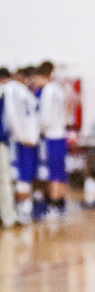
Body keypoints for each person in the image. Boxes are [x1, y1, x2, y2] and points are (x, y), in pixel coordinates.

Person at [3, 67, 40, 224]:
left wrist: (21, 134)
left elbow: (14, 114)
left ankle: (22, 209)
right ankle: (22, 209)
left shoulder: (14, 90)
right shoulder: (20, 91)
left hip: (22, 139)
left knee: (20, 177)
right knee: (22, 177)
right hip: (26, 138)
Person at [35, 60, 68, 217]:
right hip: (61, 133)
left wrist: (38, 130)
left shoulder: (47, 91)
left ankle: (53, 205)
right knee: (61, 171)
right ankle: (61, 201)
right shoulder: (58, 89)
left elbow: (45, 118)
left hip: (51, 135)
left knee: (53, 172)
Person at [0, 68, 18, 227]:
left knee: (4, 180)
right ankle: (8, 216)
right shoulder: (6, 91)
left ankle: (8, 216)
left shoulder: (6, 92)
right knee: (4, 180)